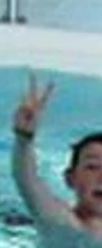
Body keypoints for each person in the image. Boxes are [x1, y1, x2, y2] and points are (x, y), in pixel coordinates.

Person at [9, 75, 102, 238]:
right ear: (70, 179)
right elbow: (28, 182)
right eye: (92, 167)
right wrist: (24, 138)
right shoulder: (64, 223)